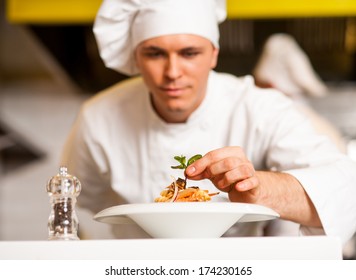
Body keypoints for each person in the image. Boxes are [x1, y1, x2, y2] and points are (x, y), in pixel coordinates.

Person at [61, 0, 356, 243]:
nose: (172, 71)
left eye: (189, 53)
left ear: (214, 54)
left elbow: (344, 191)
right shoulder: (98, 117)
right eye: (155, 53)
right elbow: (74, 203)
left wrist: (257, 188)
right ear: (136, 58)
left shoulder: (258, 107)